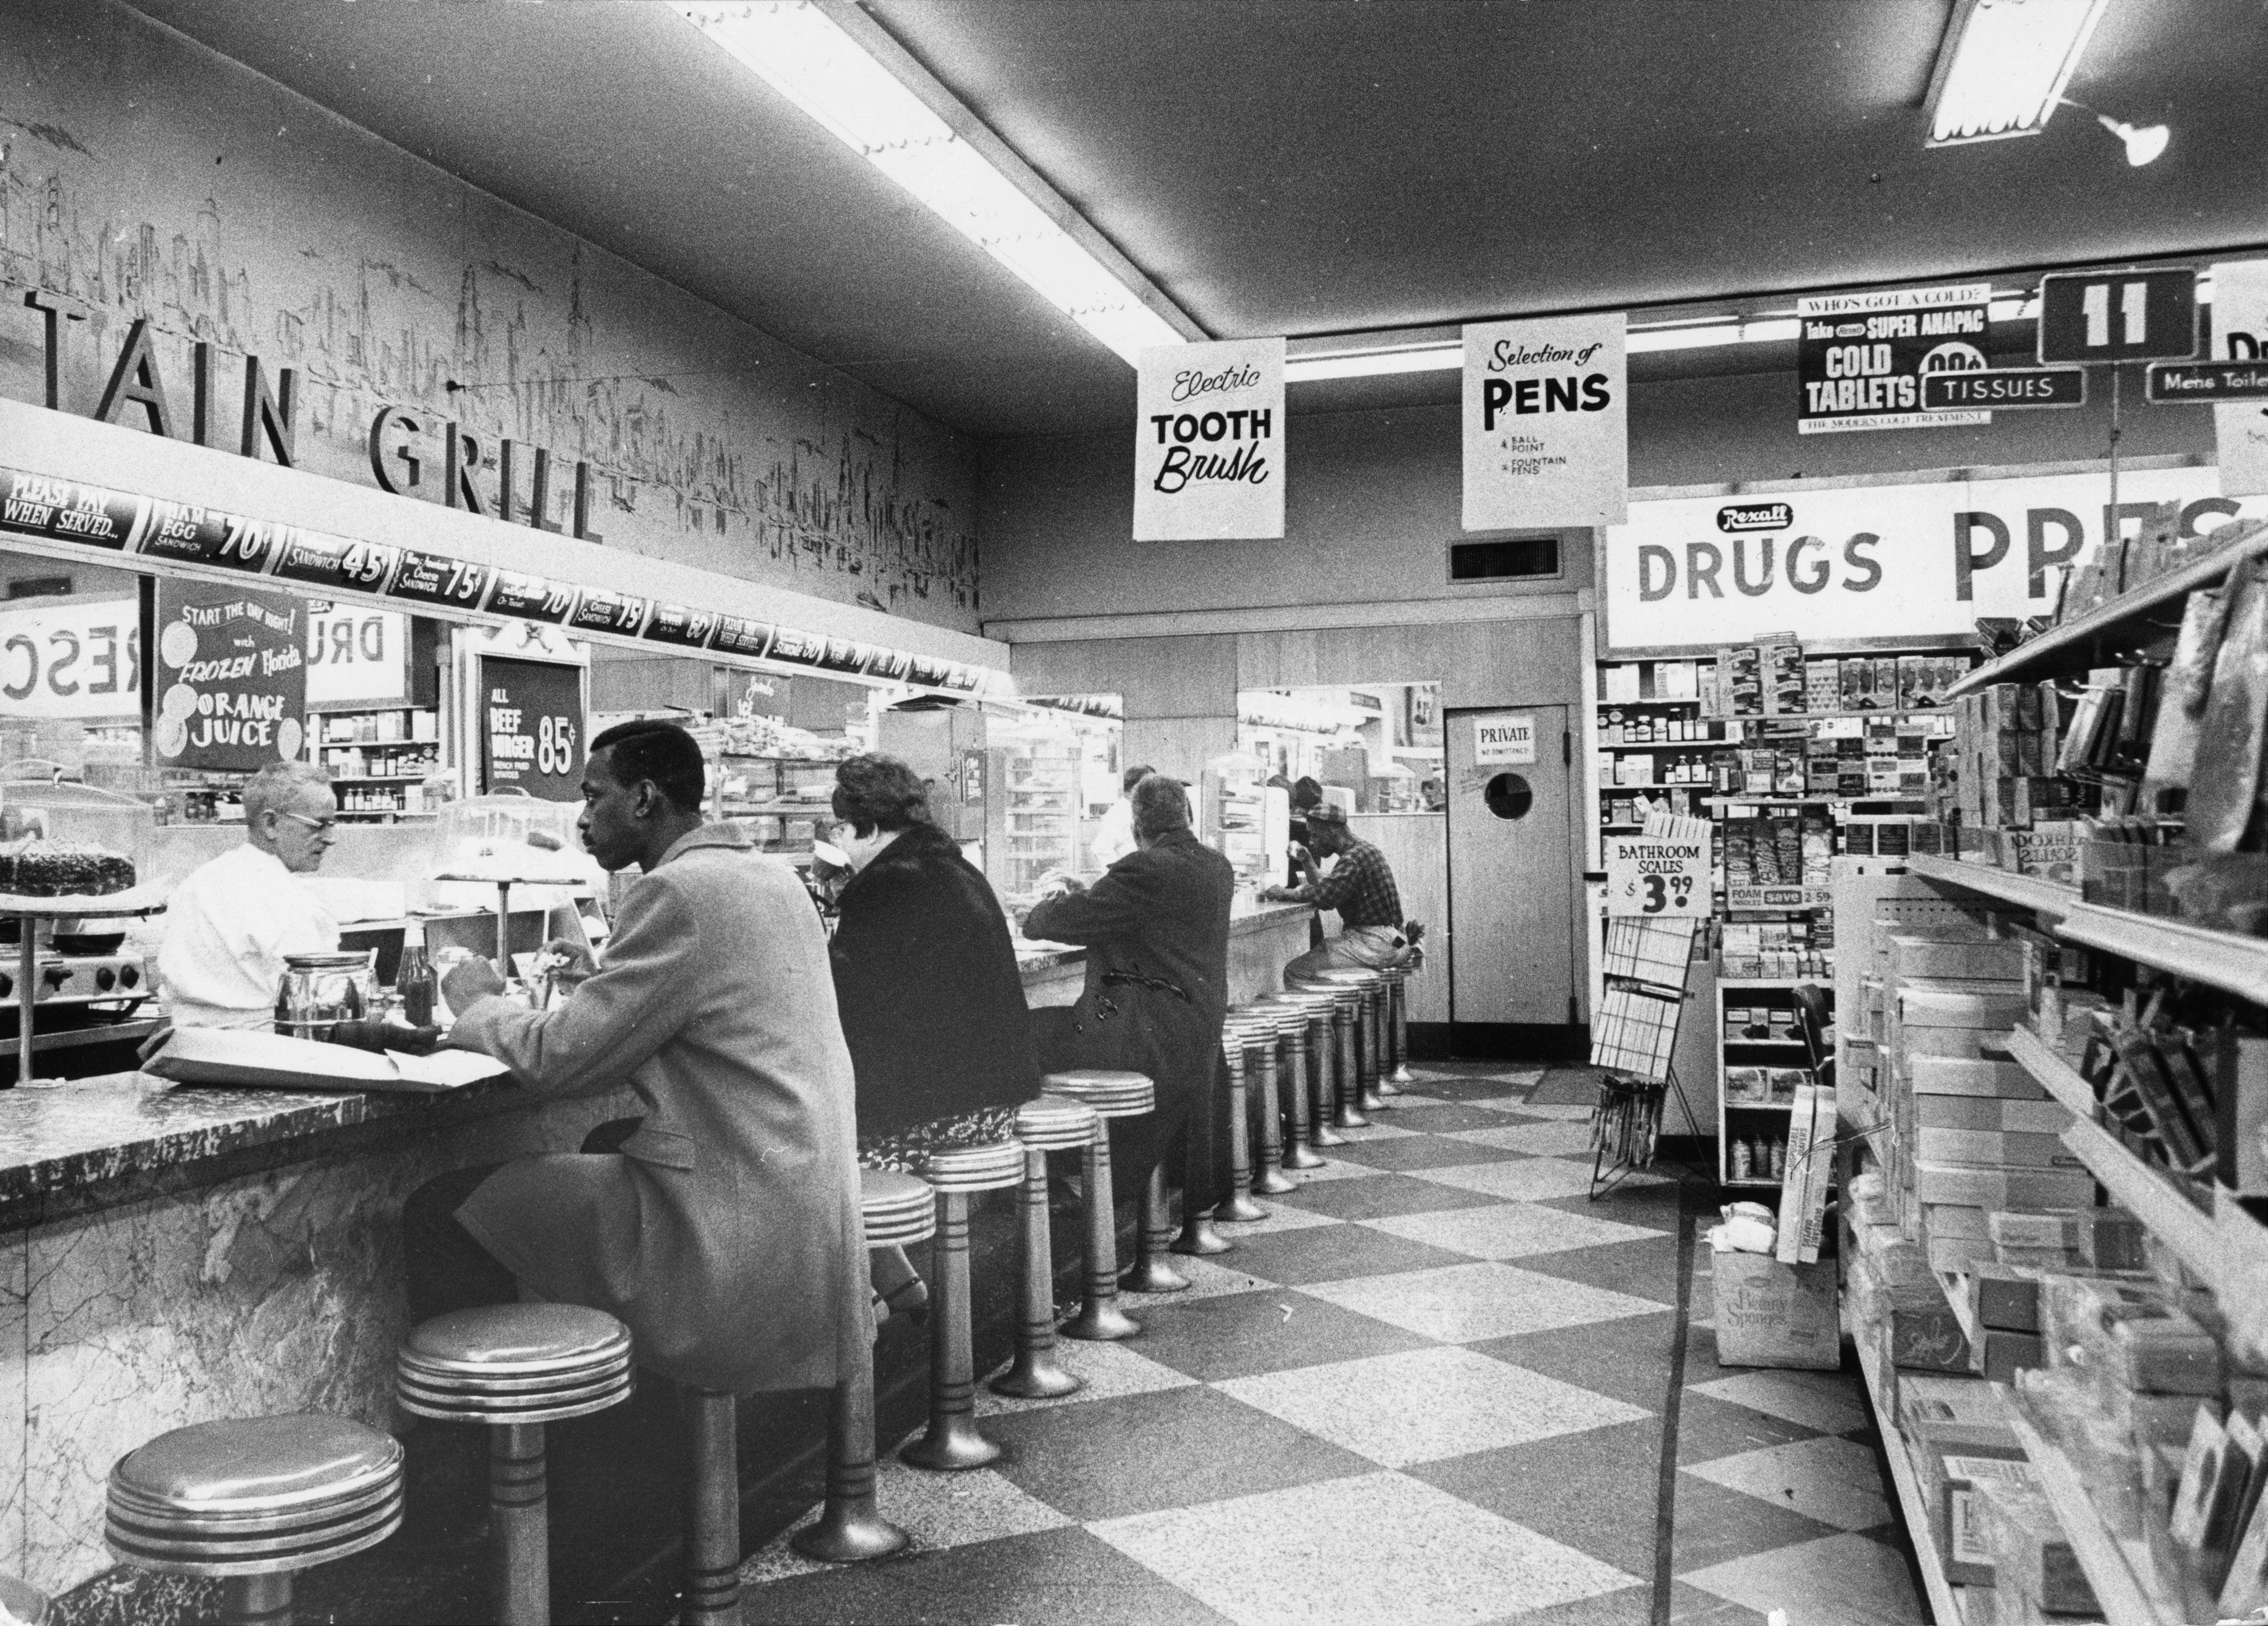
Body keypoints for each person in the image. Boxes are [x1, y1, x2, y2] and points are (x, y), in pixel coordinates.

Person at [401, 719, 868, 1398]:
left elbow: (558, 1059)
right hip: (801, 1211)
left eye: (594, 798)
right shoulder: (772, 876)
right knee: (608, 1139)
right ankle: (613, 1432)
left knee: (440, 1208)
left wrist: (477, 1004)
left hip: (728, 1234)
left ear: (644, 799)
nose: (583, 820)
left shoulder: (674, 892)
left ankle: (477, 1471)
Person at [826, 753, 1040, 1311]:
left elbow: (845, 1000)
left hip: (942, 1111)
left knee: (806, 1157)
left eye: (842, 831)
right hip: (994, 1097)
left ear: (867, 828)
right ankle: (901, 1290)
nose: (840, 845)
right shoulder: (954, 866)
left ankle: (860, 1321)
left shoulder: (885, 884)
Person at [1024, 773, 1234, 1213]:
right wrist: (1091, 894)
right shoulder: (1216, 865)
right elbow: (1138, 910)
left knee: (1021, 1034)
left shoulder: (1144, 869)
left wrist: (1045, 903)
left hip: (1144, 1035)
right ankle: (1099, 1172)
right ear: (1188, 815)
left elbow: (1051, 925)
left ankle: (1059, 1175)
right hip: (1194, 1032)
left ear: (1136, 824)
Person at [156, 760, 342, 1031]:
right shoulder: (282, 897)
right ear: (271, 823)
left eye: (332, 824)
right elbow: (318, 997)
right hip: (265, 1050)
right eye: (319, 824)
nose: (330, 837)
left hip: (189, 1047)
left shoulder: (201, 880)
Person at [1264, 802, 1415, 974]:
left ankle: (1344, 1002)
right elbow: (1329, 886)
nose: (1312, 842)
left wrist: (1283, 893)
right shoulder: (1365, 850)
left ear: (1331, 832)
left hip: (1374, 944)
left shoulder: (1353, 858)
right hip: (1396, 941)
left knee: (1296, 971)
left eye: (1314, 835)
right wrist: (1306, 859)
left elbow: (1325, 898)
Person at [1088, 762, 1153, 870]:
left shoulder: (1136, 809)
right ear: (1135, 787)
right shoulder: (1120, 812)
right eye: (1150, 786)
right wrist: (1118, 877)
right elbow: (1101, 849)